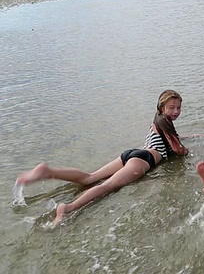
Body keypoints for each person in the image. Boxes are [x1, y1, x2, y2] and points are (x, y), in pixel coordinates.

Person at [16, 89, 190, 223]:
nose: (176, 111)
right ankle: (68, 208)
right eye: (172, 107)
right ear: (162, 108)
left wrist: (188, 137)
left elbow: (168, 140)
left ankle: (48, 172)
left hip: (131, 153)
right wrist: (187, 151)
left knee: (90, 178)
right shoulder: (166, 123)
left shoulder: (157, 120)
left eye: (179, 107)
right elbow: (179, 150)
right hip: (144, 160)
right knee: (107, 186)